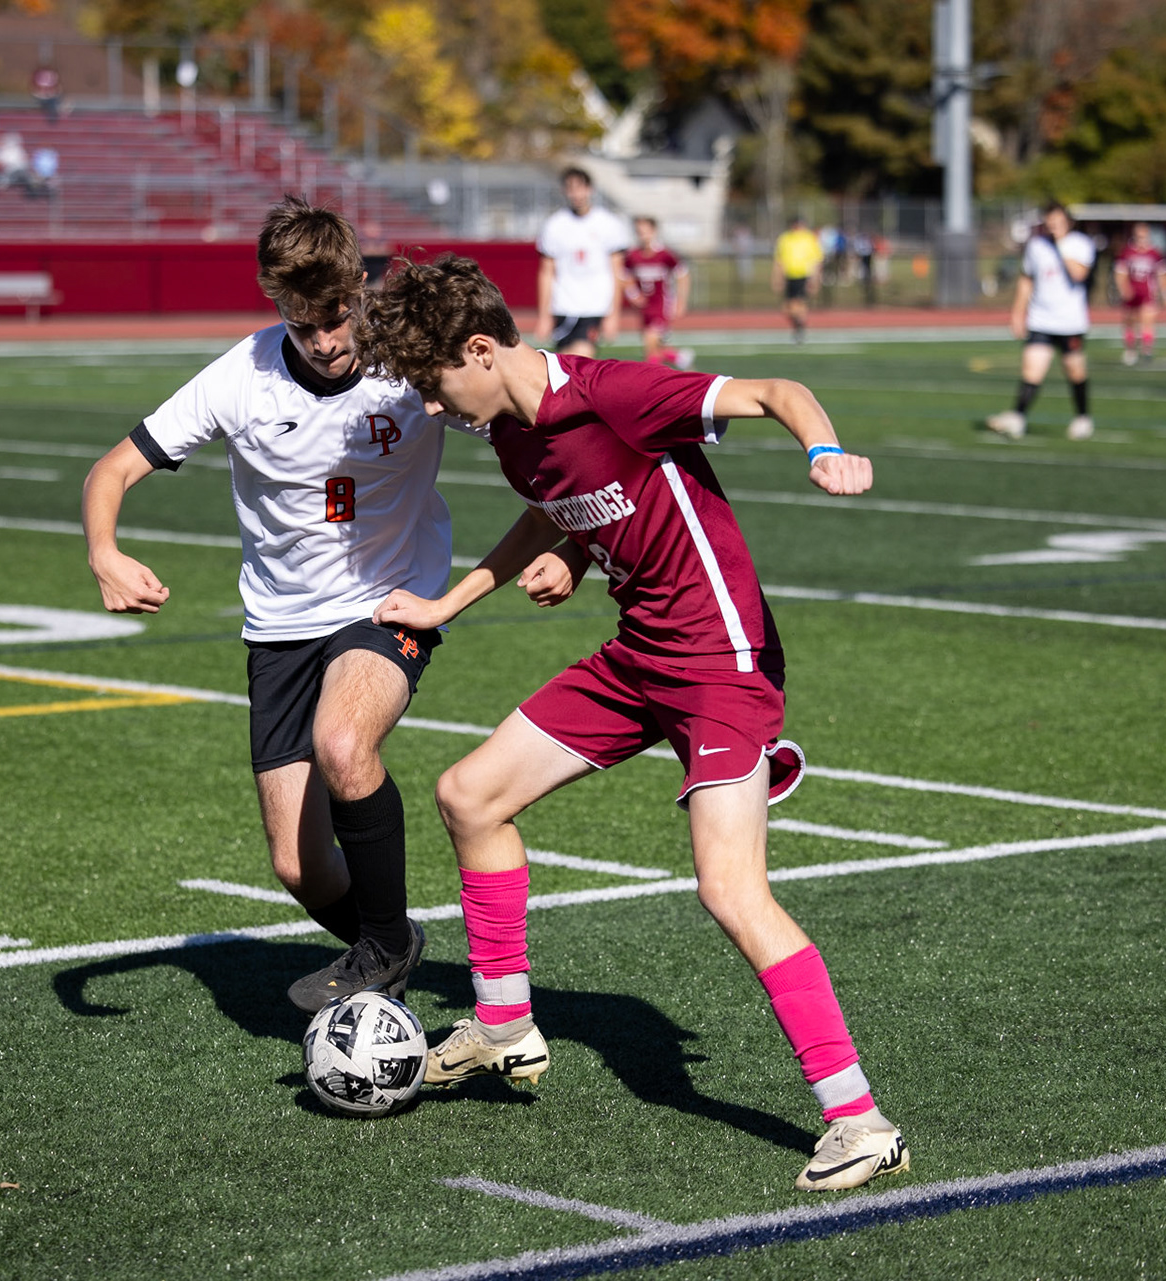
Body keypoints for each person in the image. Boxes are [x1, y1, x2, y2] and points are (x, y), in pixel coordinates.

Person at [357, 254, 910, 1195]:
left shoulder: (615, 392)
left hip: (720, 665)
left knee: (731, 891)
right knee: (470, 794)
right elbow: (556, 511)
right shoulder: (511, 431)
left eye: (435, 382)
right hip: (640, 657)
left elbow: (779, 388)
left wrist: (824, 450)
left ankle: (859, 1118)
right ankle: (502, 1022)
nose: (434, 406)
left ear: (482, 349)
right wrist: (470, 595)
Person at [81, 198, 468, 1014]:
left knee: (342, 740)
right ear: (277, 308)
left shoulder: (410, 362)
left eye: (337, 319)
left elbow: (522, 406)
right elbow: (112, 469)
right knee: (298, 866)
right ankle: (389, 946)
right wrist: (104, 551)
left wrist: (565, 534)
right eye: (304, 325)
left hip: (389, 600)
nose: (326, 342)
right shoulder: (240, 376)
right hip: (281, 625)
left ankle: (386, 944)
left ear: (359, 289)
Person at [986, 201, 1095, 441]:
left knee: (1075, 370)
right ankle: (1017, 417)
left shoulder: (1080, 244)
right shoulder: (1036, 246)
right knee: (1031, 370)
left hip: (1070, 321)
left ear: (1067, 221)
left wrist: (1060, 246)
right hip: (1041, 319)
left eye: (1058, 220)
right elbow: (1027, 280)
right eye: (1050, 220)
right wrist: (1017, 313)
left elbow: (1079, 274)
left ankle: (1082, 417)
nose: (1053, 224)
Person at [534, 166, 631, 358]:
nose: (576, 194)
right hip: (563, 305)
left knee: (583, 359)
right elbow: (546, 272)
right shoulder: (555, 225)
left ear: (590, 189)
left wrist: (614, 314)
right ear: (565, 191)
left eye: (580, 188)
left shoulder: (608, 223)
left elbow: (618, 272)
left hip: (595, 307)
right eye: (570, 188)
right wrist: (544, 315)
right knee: (564, 365)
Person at [621, 214, 692, 368]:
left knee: (650, 346)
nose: (643, 235)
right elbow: (624, 277)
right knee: (654, 346)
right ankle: (678, 357)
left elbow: (683, 274)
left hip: (661, 305)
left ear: (654, 231)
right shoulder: (633, 255)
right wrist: (633, 295)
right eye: (639, 232)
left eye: (646, 231)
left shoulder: (664, 254)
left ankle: (653, 381)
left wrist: (681, 300)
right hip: (644, 307)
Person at [1113, 222, 1166, 365]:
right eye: (1138, 236)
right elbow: (1120, 272)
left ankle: (1147, 349)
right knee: (1130, 321)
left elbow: (1163, 274)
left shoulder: (1155, 253)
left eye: (1144, 236)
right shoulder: (1127, 252)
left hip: (1148, 293)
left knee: (1148, 320)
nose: (1141, 240)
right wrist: (1124, 288)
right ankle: (1130, 350)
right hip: (1132, 292)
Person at [772, 215, 822, 341]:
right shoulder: (785, 239)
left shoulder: (809, 238)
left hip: (803, 275)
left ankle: (800, 328)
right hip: (789, 275)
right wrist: (777, 278)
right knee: (787, 308)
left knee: (799, 304)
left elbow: (816, 260)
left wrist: (815, 278)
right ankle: (799, 325)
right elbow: (779, 260)